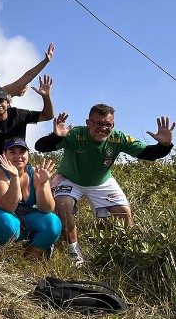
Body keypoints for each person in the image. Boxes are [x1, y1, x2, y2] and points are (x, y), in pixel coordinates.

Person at [35, 108, 174, 266]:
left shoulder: (118, 138)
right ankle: (74, 253)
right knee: (62, 205)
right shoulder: (75, 134)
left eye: (108, 124)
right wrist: (55, 136)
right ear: (88, 123)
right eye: (98, 123)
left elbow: (148, 154)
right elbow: (40, 147)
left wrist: (164, 146)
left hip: (102, 181)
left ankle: (126, 254)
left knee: (124, 213)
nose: (103, 128)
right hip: (70, 179)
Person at [0, 138, 61, 258]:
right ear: (4, 155)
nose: (18, 156)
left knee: (52, 222)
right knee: (8, 223)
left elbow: (47, 208)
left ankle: (31, 256)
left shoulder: (37, 173)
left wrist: (42, 184)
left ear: (28, 154)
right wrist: (14, 177)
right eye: (12, 152)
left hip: (24, 215)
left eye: (22, 152)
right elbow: (8, 207)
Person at [0, 77, 54, 185]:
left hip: (20, 166)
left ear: (7, 102)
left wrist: (46, 97)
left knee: (35, 189)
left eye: (0, 101)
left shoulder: (18, 114)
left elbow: (48, 115)